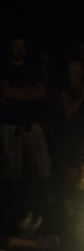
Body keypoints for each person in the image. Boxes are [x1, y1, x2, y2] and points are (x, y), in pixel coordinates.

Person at [0, 36, 52, 207]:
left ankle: (47, 203)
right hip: (9, 123)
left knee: (42, 164)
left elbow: (41, 92)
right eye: (15, 46)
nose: (19, 49)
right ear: (9, 48)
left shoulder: (33, 67)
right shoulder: (4, 67)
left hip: (31, 122)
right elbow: (5, 92)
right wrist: (29, 91)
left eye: (22, 45)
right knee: (12, 169)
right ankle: (16, 206)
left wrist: (16, 92)